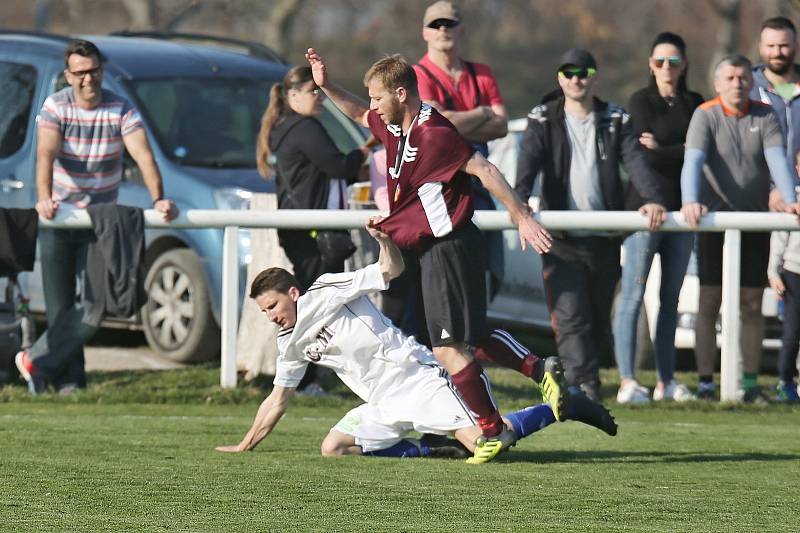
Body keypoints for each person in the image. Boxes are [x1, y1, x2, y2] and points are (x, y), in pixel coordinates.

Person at [305, 48, 561, 464]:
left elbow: (486, 170)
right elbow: (356, 113)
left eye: (377, 98)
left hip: (448, 246)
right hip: (432, 249)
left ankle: (491, 430)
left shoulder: (434, 132)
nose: (371, 105)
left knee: (447, 348)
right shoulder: (395, 128)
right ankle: (539, 370)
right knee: (470, 336)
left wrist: (521, 216)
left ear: (401, 94)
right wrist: (327, 85)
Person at [215, 222, 617, 460]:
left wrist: (383, 240)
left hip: (417, 378)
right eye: (263, 312)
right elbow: (277, 400)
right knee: (333, 448)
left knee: (490, 445)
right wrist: (244, 444)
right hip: (382, 402)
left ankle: (560, 407)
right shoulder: (291, 343)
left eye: (271, 306)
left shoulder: (326, 290)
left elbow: (390, 271)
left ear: (293, 293)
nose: (270, 316)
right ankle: (431, 449)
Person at [15, 39, 177, 395]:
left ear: (102, 70)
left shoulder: (120, 108)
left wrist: (159, 198)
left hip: (101, 220)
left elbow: (144, 156)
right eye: (80, 72)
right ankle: (67, 381)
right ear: (68, 75)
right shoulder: (55, 107)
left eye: (94, 71)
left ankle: (35, 361)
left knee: (95, 305)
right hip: (60, 218)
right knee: (59, 309)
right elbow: (44, 154)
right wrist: (44, 199)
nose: (88, 79)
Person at [514, 48, 667, 402]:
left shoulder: (615, 118)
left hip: (603, 236)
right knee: (570, 318)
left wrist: (653, 197)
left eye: (583, 72)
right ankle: (583, 388)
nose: (576, 79)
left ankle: (586, 381)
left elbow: (636, 163)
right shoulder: (542, 118)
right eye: (569, 72)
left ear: (594, 76)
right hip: (560, 238)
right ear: (559, 78)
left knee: (597, 318)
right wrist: (518, 203)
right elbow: (528, 165)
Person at [680, 54, 800, 402]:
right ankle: (705, 382)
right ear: (718, 84)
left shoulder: (765, 115)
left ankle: (749, 385)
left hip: (753, 221)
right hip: (713, 222)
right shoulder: (705, 115)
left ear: (752, 82)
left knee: (751, 302)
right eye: (730, 78)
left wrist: (790, 196)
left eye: (743, 78)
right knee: (709, 301)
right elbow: (693, 161)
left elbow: (778, 159)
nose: (737, 84)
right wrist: (690, 199)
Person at [255, 66, 369, 395]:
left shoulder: (283, 127)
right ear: (292, 96)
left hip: (298, 229)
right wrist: (359, 156)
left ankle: (310, 378)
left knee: (312, 304)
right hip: (312, 231)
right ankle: (303, 380)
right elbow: (336, 166)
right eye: (312, 91)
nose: (318, 97)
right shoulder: (304, 126)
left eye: (319, 91)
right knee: (311, 307)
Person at [613, 33, 704, 404]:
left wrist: (667, 148)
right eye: (661, 61)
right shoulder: (640, 100)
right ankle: (627, 380)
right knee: (633, 296)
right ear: (651, 65)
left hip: (684, 212)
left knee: (671, 300)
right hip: (645, 210)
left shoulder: (696, 103)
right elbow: (641, 157)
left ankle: (667, 380)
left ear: (684, 65)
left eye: (675, 61)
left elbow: (698, 153)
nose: (668, 68)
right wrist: (680, 149)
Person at [414, 1, 506, 299]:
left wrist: (451, 121)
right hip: (439, 191)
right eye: (436, 24)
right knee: (448, 283)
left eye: (450, 23)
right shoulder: (418, 75)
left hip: (479, 185)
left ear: (461, 30)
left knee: (485, 274)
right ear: (424, 33)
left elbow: (502, 126)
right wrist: (482, 112)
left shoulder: (481, 72)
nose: (443, 29)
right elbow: (434, 128)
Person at [752, 16, 800, 200]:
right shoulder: (745, 88)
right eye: (770, 46)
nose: (777, 52)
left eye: (783, 46)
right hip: (762, 197)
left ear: (795, 45)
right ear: (760, 47)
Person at [766, 149, 800, 403]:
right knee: (791, 333)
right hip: (793, 273)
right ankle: (785, 382)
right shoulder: (792, 201)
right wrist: (773, 271)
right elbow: (779, 239)